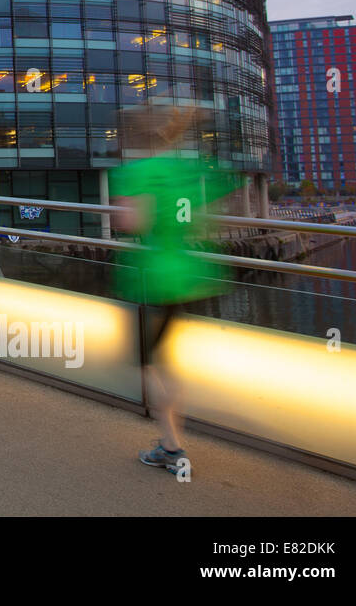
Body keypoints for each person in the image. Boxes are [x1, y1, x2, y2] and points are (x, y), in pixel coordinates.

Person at [110, 104, 239, 473]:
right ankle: (172, 441)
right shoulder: (188, 170)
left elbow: (132, 222)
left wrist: (123, 208)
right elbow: (208, 215)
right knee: (162, 360)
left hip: (155, 278)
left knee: (145, 362)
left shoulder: (138, 173)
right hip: (193, 273)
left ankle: (172, 446)